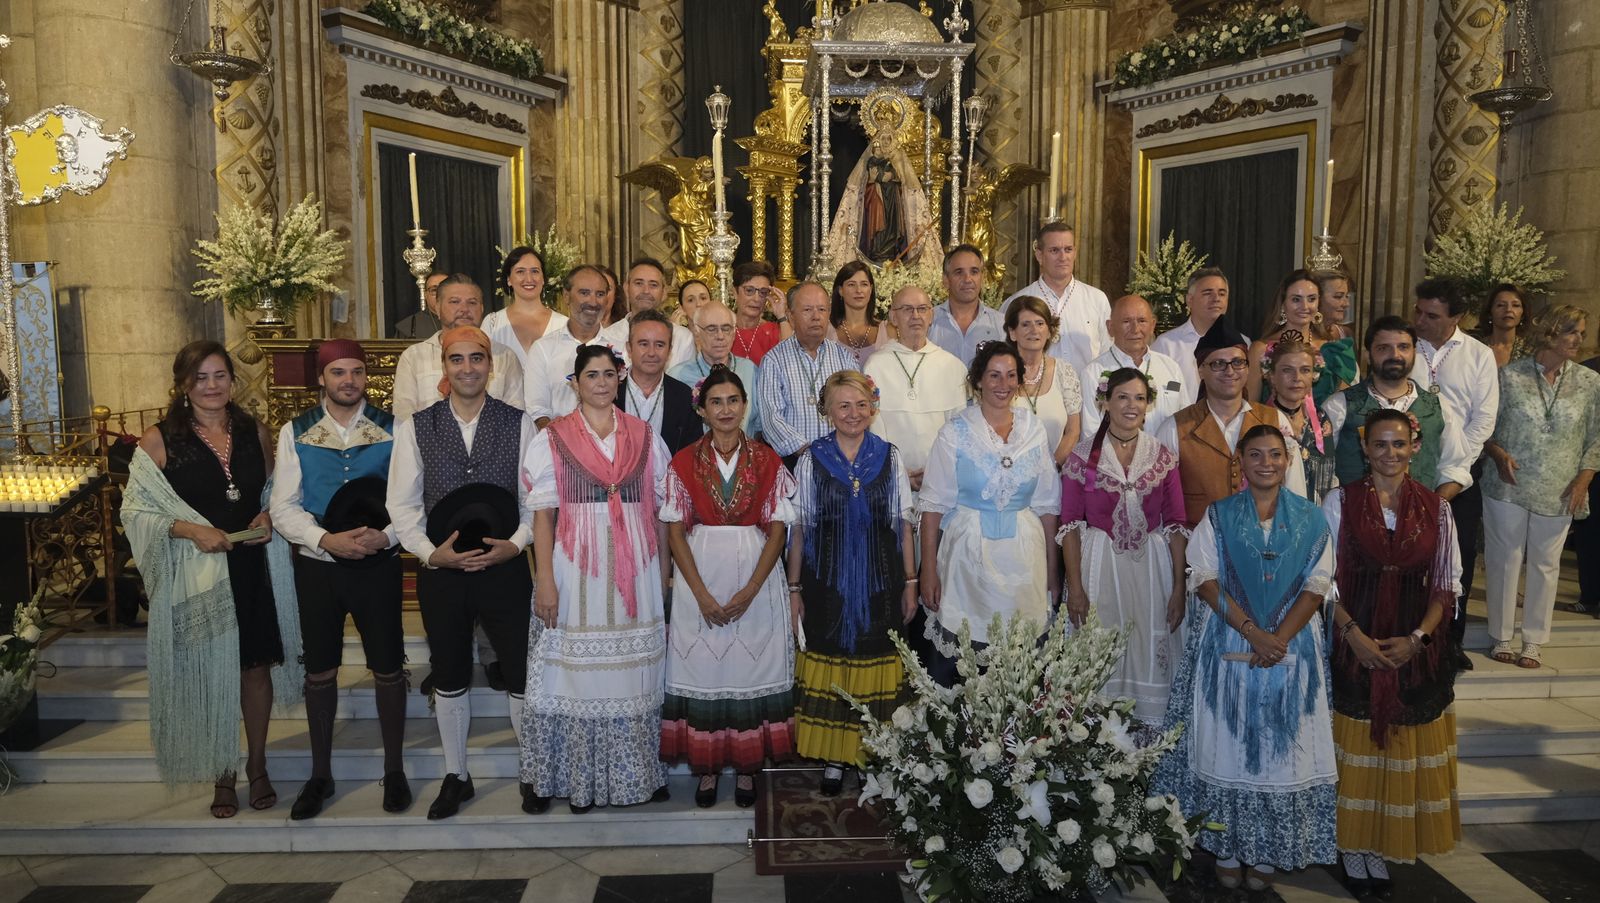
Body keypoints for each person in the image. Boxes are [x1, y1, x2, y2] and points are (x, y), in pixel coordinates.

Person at [123, 341, 303, 817]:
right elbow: (135, 510)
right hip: (197, 575)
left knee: (255, 668)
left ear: (232, 380)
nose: (211, 386)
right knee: (213, 671)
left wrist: (268, 514)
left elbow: (274, 491)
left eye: (219, 375)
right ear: (183, 384)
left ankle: (258, 765)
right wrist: (191, 530)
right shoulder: (159, 439)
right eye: (200, 377)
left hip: (251, 567)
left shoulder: (253, 431)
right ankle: (222, 772)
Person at [1156, 425, 1337, 891]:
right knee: (1229, 746)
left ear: (1287, 460)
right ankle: (1228, 848)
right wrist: (1255, 634)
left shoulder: (1311, 518)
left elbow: (1318, 584)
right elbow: (1204, 578)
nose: (1266, 463)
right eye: (1255, 455)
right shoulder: (1219, 515)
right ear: (1240, 461)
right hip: (1230, 641)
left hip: (1291, 646)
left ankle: (1267, 853)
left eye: (1274, 454)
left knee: (1281, 754)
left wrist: (1278, 639)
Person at [386, 325, 535, 820]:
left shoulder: (519, 423)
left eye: (477, 358)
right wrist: (432, 555)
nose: (467, 368)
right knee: (449, 673)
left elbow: (535, 500)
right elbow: (402, 505)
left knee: (520, 671)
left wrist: (515, 545)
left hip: (504, 569)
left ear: (490, 365)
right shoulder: (416, 427)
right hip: (443, 573)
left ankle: (532, 771)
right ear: (444, 367)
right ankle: (457, 775)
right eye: (457, 359)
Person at [522, 344, 674, 812]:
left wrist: (664, 573)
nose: (602, 383)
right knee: (573, 676)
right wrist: (545, 581)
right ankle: (578, 780)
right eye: (591, 375)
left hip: (637, 566)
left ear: (620, 377)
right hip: (576, 565)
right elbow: (543, 517)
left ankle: (636, 775)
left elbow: (661, 509)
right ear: (575, 383)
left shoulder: (644, 435)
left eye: (609, 374)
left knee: (634, 674)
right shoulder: (553, 438)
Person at [268, 340, 410, 820]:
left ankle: (394, 770)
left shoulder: (394, 428)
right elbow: (283, 506)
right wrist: (325, 540)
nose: (348, 380)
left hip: (378, 565)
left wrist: (387, 537)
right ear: (322, 378)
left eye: (356, 371)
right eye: (338, 372)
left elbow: (411, 498)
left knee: (388, 666)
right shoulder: (296, 431)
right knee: (320, 670)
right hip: (319, 568)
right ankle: (320, 775)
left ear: (366, 376)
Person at [1322, 409, 1462, 894]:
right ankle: (1351, 847)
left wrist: (1417, 640)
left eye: (1399, 444)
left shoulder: (1437, 508)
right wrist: (1353, 636)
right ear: (1365, 448)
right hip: (1352, 641)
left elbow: (1445, 585)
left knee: (1396, 750)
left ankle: (1378, 848)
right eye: (1380, 444)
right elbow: (1322, 581)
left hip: (1410, 645)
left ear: (1414, 448)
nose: (1390, 453)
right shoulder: (1340, 501)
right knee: (1355, 748)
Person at [659, 367, 796, 809]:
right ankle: (708, 768)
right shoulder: (682, 461)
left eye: (733, 400)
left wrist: (752, 589)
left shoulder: (768, 459)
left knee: (749, 671)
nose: (725, 410)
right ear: (701, 410)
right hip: (699, 575)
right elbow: (675, 531)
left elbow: (777, 529)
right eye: (715, 402)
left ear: (744, 406)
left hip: (756, 574)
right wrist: (699, 594)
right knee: (705, 670)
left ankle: (748, 768)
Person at [786, 371, 916, 796]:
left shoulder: (890, 456)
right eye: (843, 405)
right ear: (827, 410)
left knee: (874, 656)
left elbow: (903, 523)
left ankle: (870, 754)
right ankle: (834, 758)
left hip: (882, 579)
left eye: (861, 405)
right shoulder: (811, 459)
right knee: (833, 657)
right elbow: (800, 528)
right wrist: (794, 589)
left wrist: (911, 581)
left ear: (873, 408)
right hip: (826, 581)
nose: (853, 413)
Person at [918, 342, 1062, 686]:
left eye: (1011, 376)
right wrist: (928, 571)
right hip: (967, 558)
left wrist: (1052, 572)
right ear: (978, 380)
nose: (1003, 384)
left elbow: (1047, 506)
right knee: (966, 650)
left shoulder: (1034, 429)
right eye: (994, 375)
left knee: (1020, 655)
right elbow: (932, 507)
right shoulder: (954, 432)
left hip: (1024, 556)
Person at [1058, 367, 1187, 724]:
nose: (1132, 406)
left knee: (1148, 644)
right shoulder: (1082, 458)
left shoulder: (1161, 456)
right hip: (1100, 568)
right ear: (1105, 402)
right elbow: (1070, 525)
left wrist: (1179, 588)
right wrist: (1075, 589)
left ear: (1148, 405)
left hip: (1152, 571)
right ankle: (1097, 738)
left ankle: (1148, 733)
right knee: (1101, 649)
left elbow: (1176, 524)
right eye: (1123, 397)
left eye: (1140, 398)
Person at [1481, 304, 1600, 668]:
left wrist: (1584, 478)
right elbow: (1485, 428)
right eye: (1571, 331)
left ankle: (1533, 640)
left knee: (1546, 564)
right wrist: (1498, 454)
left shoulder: (1589, 381)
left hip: (1561, 486)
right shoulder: (1509, 376)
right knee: (1505, 559)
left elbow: (1596, 436)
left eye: (1581, 333)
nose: (1578, 339)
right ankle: (1501, 635)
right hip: (1508, 483)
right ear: (1549, 332)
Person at [1409, 277, 1499, 669]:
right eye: (1418, 311)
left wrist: (1458, 471)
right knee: (1410, 555)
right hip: (1408, 468)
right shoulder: (1404, 346)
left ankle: (1450, 644)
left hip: (1461, 471)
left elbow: (1483, 419)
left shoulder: (1479, 355)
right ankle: (1410, 635)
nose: (1420, 321)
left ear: (1456, 317)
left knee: (1456, 554)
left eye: (1431, 316)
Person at [1158, 319, 1308, 528]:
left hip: (1264, 544)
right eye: (1218, 364)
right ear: (1201, 370)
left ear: (1247, 368)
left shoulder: (1275, 421)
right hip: (1198, 546)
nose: (1229, 371)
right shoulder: (1174, 428)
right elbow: (1163, 508)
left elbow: (1295, 495)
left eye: (1238, 362)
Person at [1322, 316, 1472, 501]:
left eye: (1403, 347)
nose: (1395, 355)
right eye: (1383, 348)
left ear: (1414, 352)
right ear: (1367, 355)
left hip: (1420, 516)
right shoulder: (1339, 405)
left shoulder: (1437, 406)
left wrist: (1433, 507)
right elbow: (1321, 469)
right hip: (1352, 515)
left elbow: (1456, 467)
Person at [863, 285, 968, 495]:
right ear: (893, 317)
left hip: (942, 479)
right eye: (907, 309)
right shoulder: (875, 365)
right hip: (891, 480)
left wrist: (937, 470)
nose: (916, 316)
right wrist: (897, 472)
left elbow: (958, 429)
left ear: (931, 315)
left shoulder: (953, 366)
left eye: (922, 309)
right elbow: (874, 428)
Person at [392, 274, 528, 421]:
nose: (464, 309)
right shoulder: (413, 357)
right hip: (428, 435)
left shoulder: (505, 356)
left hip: (493, 435)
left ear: (482, 308)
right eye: (455, 302)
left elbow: (516, 418)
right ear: (437, 308)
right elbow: (403, 420)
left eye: (472, 302)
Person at [757, 281, 862, 465]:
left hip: (842, 460)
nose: (816, 317)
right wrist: (809, 453)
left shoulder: (844, 358)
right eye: (807, 310)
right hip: (793, 461)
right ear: (790, 316)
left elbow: (858, 408)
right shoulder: (774, 360)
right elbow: (771, 419)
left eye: (822, 309)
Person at [1002, 223, 1111, 373]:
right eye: (1054, 250)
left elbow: (1108, 352)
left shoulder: (1096, 299)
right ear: (1039, 256)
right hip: (1035, 387)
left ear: (1075, 253)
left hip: (1086, 386)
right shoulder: (1017, 303)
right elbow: (1005, 356)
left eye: (1068, 249)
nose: (1063, 257)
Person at [1079, 294, 1187, 443]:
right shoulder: (1093, 373)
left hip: (1167, 456)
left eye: (1142, 321)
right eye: (1126, 321)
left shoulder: (1171, 368)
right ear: (1110, 327)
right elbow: (1091, 434)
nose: (1135, 329)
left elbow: (1184, 421)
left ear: (1153, 325)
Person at [526, 265, 623, 428]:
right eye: (584, 293)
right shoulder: (543, 349)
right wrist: (564, 439)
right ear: (566, 296)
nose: (593, 302)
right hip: (559, 440)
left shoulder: (621, 349)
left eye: (600, 294)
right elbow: (537, 412)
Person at [1247, 269, 1353, 405]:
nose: (1305, 306)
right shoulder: (1261, 350)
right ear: (1283, 304)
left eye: (1311, 299)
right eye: (1296, 299)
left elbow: (1345, 406)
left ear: (1318, 303)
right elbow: (1250, 406)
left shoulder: (1333, 349)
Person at [1005, 296, 1083, 467]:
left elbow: (1073, 431)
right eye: (1025, 324)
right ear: (1012, 333)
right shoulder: (1001, 374)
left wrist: (1050, 469)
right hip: (1008, 472)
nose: (1034, 330)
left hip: (1055, 473)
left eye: (1040, 323)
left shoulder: (1064, 372)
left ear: (1049, 331)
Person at [482, 247, 568, 393]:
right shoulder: (492, 323)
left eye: (535, 271)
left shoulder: (563, 324)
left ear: (543, 279)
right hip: (504, 405)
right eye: (520, 271)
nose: (529, 279)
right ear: (509, 279)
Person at [1264, 331, 1337, 502]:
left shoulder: (1321, 419)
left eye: (1305, 370)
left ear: (1314, 375)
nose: (1297, 378)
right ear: (1272, 376)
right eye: (1287, 370)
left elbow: (1328, 474)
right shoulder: (1262, 420)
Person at [669, 300, 761, 434]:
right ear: (697, 331)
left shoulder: (750, 370)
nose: (720, 336)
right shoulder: (677, 375)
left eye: (726, 328)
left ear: (734, 332)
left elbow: (759, 425)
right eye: (711, 329)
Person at [617, 309, 701, 455]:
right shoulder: (610, 393)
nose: (651, 353)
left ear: (669, 351)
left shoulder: (685, 398)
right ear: (629, 349)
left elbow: (692, 455)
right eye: (643, 344)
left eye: (660, 345)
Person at [601, 257, 696, 369]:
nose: (646, 291)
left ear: (664, 292)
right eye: (639, 283)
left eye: (653, 285)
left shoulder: (682, 338)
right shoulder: (606, 337)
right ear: (626, 288)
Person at [1152, 266, 1233, 398]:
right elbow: (1158, 388)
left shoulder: (1240, 343)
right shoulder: (1166, 345)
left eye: (1222, 294)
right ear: (1189, 300)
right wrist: (1178, 391)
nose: (1216, 298)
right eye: (1208, 293)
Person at [929, 243, 1005, 366]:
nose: (967, 279)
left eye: (974, 272)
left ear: (983, 277)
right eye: (959, 272)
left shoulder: (1001, 324)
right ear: (946, 280)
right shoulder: (929, 321)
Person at [826, 261, 891, 367]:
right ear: (841, 290)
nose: (859, 290)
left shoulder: (887, 330)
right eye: (851, 284)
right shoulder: (826, 330)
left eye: (864, 284)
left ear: (870, 289)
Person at [732, 261, 790, 364]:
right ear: (735, 292)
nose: (757, 299)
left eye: (763, 292)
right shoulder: (723, 330)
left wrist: (781, 315)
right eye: (749, 291)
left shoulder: (774, 331)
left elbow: (791, 358)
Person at [1471, 282, 1529, 368]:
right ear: (1490, 312)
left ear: (1523, 314)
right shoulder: (1475, 348)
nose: (1508, 309)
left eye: (1515, 305)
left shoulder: (1531, 351)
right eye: (1501, 305)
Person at [393, 271, 447, 339]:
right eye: (434, 290)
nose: (439, 294)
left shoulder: (460, 321)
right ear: (425, 295)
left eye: (445, 289)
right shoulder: (409, 327)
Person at [1312, 268, 1356, 341]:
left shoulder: (1346, 333)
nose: (1346, 304)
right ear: (1317, 298)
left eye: (1346, 296)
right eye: (1338, 296)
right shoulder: (1300, 335)